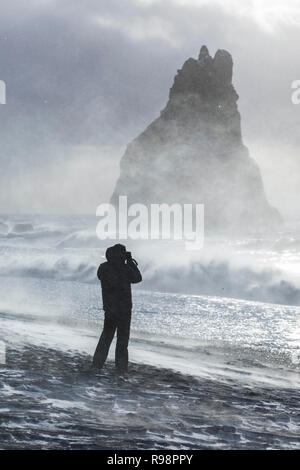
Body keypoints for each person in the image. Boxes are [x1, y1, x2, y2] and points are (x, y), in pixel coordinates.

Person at [92, 243, 142, 374]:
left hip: (110, 309)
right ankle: (120, 369)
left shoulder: (104, 267)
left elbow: (136, 279)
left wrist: (126, 262)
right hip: (123, 310)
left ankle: (97, 365)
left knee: (106, 339)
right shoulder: (123, 269)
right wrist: (130, 261)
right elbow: (137, 278)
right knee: (122, 342)